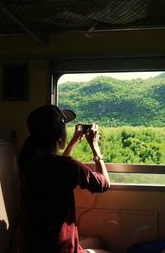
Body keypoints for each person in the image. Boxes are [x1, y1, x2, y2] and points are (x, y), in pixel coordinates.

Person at [18, 105, 110, 253]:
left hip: (30, 246)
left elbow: (58, 168)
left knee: (97, 241)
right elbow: (104, 184)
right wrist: (95, 147)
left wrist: (73, 142)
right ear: (60, 135)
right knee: (104, 249)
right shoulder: (67, 167)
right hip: (60, 248)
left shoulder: (26, 160)